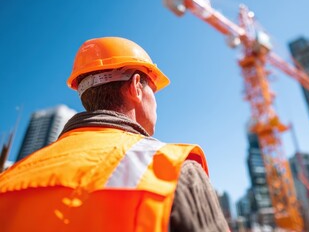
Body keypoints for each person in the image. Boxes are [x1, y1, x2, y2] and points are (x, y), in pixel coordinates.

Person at [0, 37, 228, 232]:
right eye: (153, 89)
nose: (156, 101)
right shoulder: (170, 168)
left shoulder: (10, 178)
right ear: (136, 86)